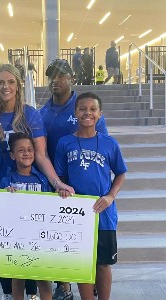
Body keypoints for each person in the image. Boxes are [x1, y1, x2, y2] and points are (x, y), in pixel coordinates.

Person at [0, 63, 74, 300]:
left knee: (28, 242)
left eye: (11, 82)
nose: (6, 87)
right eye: (1, 82)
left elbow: (41, 155)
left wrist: (56, 183)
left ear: (19, 85)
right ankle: (7, 293)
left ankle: (32, 294)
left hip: (27, 188)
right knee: (3, 242)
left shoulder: (30, 114)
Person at [39, 59, 108, 300]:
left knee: (91, 247)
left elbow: (103, 146)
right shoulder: (43, 112)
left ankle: (91, 284)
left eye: (61, 75)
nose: (55, 80)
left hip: (85, 187)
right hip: (57, 183)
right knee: (62, 240)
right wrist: (55, 181)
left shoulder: (85, 107)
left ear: (72, 78)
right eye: (51, 76)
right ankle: (64, 286)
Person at [55, 92, 127, 300]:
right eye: (82, 109)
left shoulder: (109, 143)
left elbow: (121, 173)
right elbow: (60, 176)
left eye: (93, 109)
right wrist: (62, 188)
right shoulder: (65, 143)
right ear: (75, 112)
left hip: (103, 212)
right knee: (82, 262)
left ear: (100, 114)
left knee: (103, 263)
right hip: (76, 213)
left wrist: (111, 196)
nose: (88, 113)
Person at [0, 132, 52, 300]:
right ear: (13, 155)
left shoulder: (42, 180)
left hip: (38, 236)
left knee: (43, 278)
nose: (26, 153)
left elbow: (50, 206)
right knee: (18, 276)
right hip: (16, 237)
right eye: (21, 150)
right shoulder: (7, 180)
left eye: (30, 149)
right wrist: (5, 194)